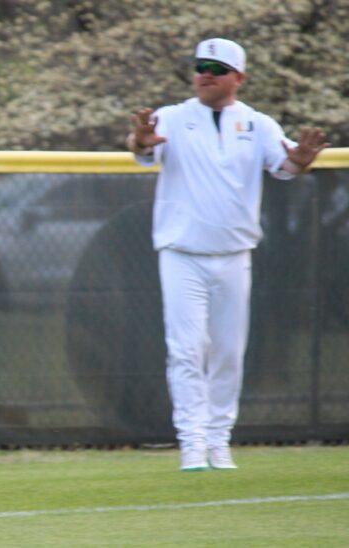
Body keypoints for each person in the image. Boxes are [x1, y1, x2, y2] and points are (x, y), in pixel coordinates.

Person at [126, 38, 329, 471]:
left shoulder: (258, 124)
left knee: (228, 354)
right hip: (182, 253)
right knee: (186, 349)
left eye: (216, 68)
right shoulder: (173, 117)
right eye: (200, 66)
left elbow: (285, 167)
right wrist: (139, 141)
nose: (205, 74)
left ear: (238, 78)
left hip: (235, 255)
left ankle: (219, 441)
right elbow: (144, 149)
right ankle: (192, 444)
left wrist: (302, 159)